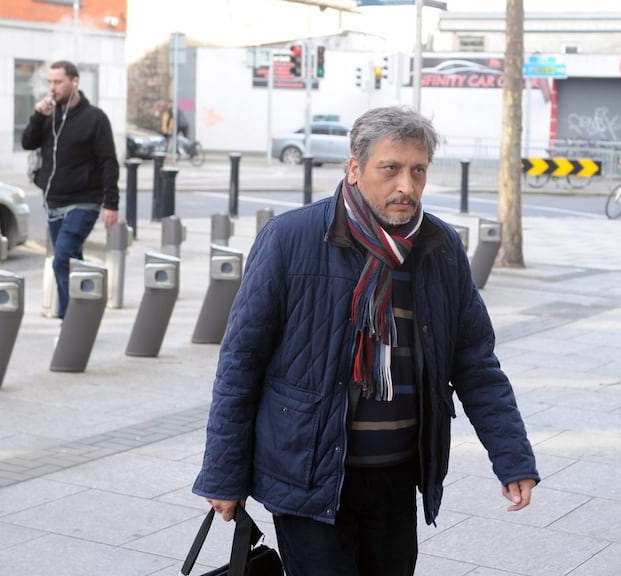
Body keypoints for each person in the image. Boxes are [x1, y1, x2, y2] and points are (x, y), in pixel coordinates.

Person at [192, 106, 539, 576]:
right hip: (309, 475)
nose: (407, 186)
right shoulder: (290, 239)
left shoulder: (439, 248)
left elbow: (475, 361)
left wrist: (512, 456)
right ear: (354, 169)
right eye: (390, 169)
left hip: (398, 477)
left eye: (418, 171)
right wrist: (223, 473)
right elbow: (240, 363)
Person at [21, 60, 119, 319]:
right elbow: (27, 143)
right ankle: (84, 311)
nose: (53, 88)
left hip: (84, 201)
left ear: (74, 81)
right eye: (50, 82)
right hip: (54, 202)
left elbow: (108, 161)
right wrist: (37, 115)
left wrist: (111, 203)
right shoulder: (48, 116)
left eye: (58, 82)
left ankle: (70, 319)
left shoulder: (95, 118)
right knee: (73, 261)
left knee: (62, 259)